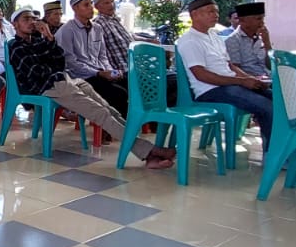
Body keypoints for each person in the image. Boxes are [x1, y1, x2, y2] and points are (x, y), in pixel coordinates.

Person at [10, 10, 176, 168]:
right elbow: (36, 73)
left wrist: (49, 38)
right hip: (48, 87)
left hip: (63, 80)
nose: (31, 22)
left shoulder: (40, 41)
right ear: (15, 24)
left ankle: (145, 149)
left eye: (33, 19)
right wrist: (52, 65)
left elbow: (60, 62)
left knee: (109, 109)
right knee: (100, 113)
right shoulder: (16, 47)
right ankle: (149, 153)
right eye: (26, 19)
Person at [175, 0, 273, 147]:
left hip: (230, 86)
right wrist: (241, 81)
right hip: (211, 91)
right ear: (195, 15)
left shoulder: (214, 36)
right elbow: (201, 75)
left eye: (216, 11)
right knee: (266, 107)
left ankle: (279, 148)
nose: (215, 15)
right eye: (210, 11)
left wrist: (250, 80)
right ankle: (274, 154)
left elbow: (230, 66)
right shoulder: (190, 40)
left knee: (279, 101)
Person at [227, 1, 296, 121]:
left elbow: (270, 65)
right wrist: (254, 79)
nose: (262, 23)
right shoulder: (233, 40)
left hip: (271, 80)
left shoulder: (261, 38)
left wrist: (267, 43)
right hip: (254, 84)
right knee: (295, 102)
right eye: (258, 19)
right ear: (243, 20)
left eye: (263, 18)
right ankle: (284, 129)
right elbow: (235, 69)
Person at [57, 0, 130, 116]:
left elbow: (102, 56)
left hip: (100, 74)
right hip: (81, 78)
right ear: (75, 8)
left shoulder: (97, 28)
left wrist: (110, 71)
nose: (91, 8)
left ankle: (141, 124)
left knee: (131, 85)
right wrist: (98, 73)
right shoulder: (66, 30)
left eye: (91, 4)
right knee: (119, 94)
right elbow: (70, 63)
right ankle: (120, 127)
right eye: (86, 5)